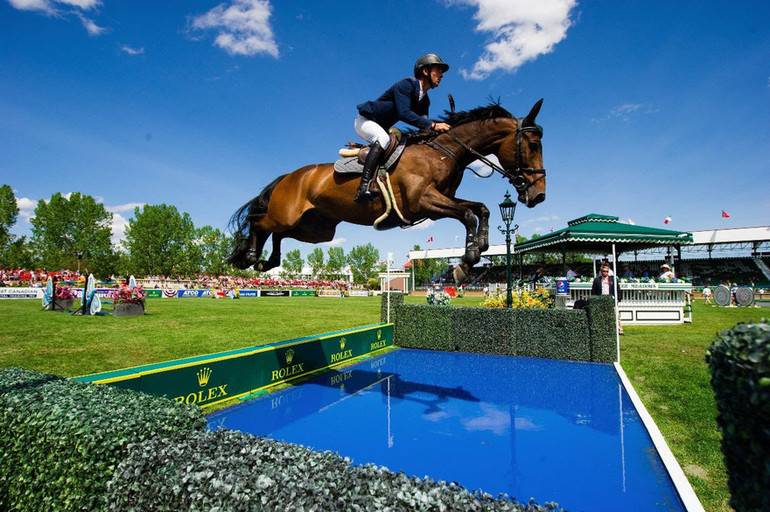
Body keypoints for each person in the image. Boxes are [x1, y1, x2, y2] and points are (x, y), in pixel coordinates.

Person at [353, 53, 451, 202]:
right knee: (383, 139)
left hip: (381, 126)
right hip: (365, 121)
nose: (441, 75)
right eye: (438, 70)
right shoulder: (406, 85)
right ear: (425, 71)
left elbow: (424, 127)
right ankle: (363, 187)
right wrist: (434, 125)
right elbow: (404, 113)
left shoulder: (425, 101)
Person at [591, 264, 623, 335]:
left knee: (616, 315)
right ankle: (601, 329)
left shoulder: (613, 279)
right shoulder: (597, 280)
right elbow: (593, 291)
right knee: (600, 316)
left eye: (606, 271)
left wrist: (618, 299)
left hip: (611, 299)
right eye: (603, 271)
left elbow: (618, 289)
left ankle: (620, 330)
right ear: (601, 271)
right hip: (601, 300)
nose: (605, 273)